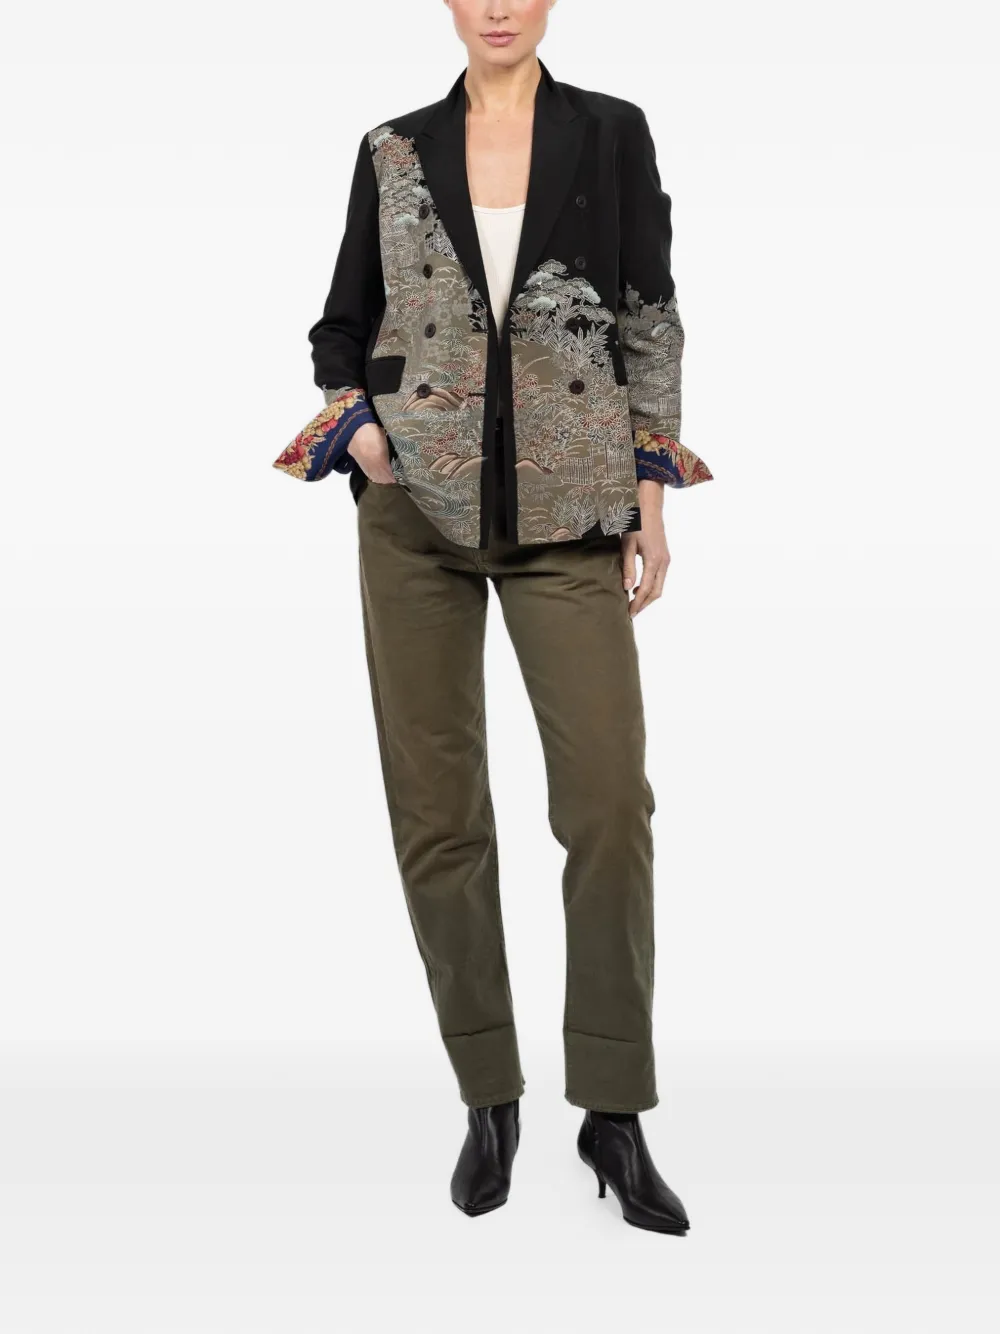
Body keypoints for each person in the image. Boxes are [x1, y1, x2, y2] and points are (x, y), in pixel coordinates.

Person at [274, 0, 712, 1234]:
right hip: (412, 512)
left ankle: (611, 1108)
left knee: (608, 804)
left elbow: (648, 316)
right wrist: (363, 437)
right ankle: (488, 1095)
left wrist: (648, 494)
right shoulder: (393, 148)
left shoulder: (610, 133)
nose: (500, 6)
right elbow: (340, 323)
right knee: (437, 812)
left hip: (569, 511)